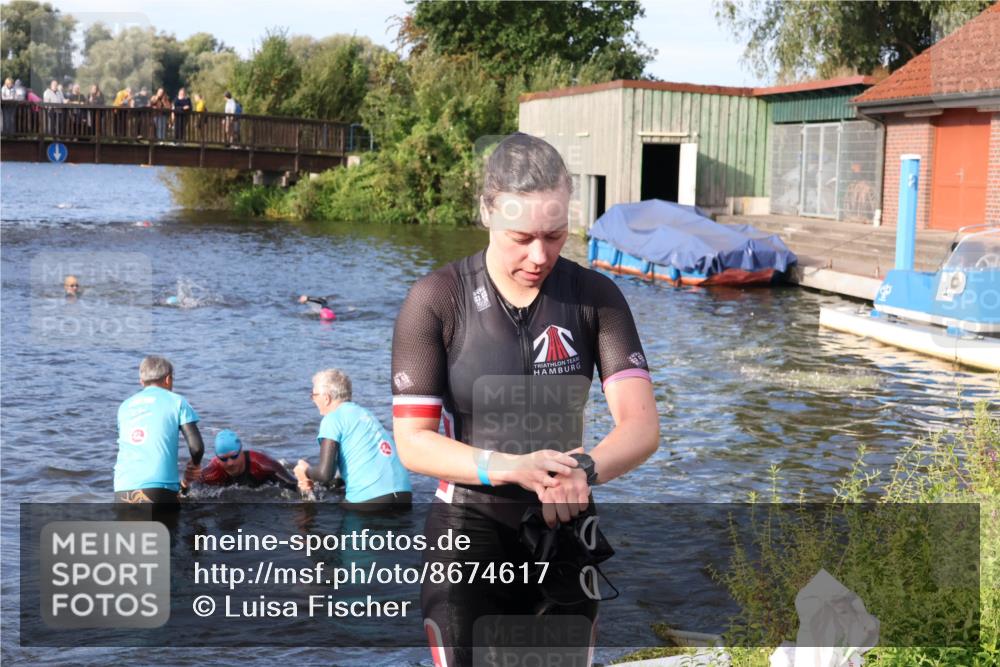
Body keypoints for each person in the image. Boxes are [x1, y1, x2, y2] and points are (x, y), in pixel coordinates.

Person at [390, 133, 659, 666]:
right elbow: (414, 445)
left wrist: (585, 468)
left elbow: (641, 426)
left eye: (555, 235)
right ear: (487, 210)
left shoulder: (595, 298)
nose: (539, 256)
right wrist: (511, 467)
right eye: (522, 237)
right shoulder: (437, 300)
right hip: (468, 532)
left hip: (565, 528)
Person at [294, 369, 411, 510]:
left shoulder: (332, 418)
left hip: (369, 499)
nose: (313, 400)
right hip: (404, 494)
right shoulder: (365, 414)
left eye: (314, 395)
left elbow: (325, 474)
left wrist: (305, 471)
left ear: (326, 398)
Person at [114, 355, 205, 504]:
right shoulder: (177, 401)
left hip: (123, 489)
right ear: (168, 379)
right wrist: (193, 467)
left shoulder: (124, 406)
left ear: (141, 382)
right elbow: (196, 447)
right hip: (160, 489)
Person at [198, 430, 297, 490]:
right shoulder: (211, 473)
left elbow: (294, 484)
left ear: (241, 450)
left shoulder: (262, 464)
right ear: (217, 458)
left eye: (234, 456)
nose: (230, 463)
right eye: (223, 459)